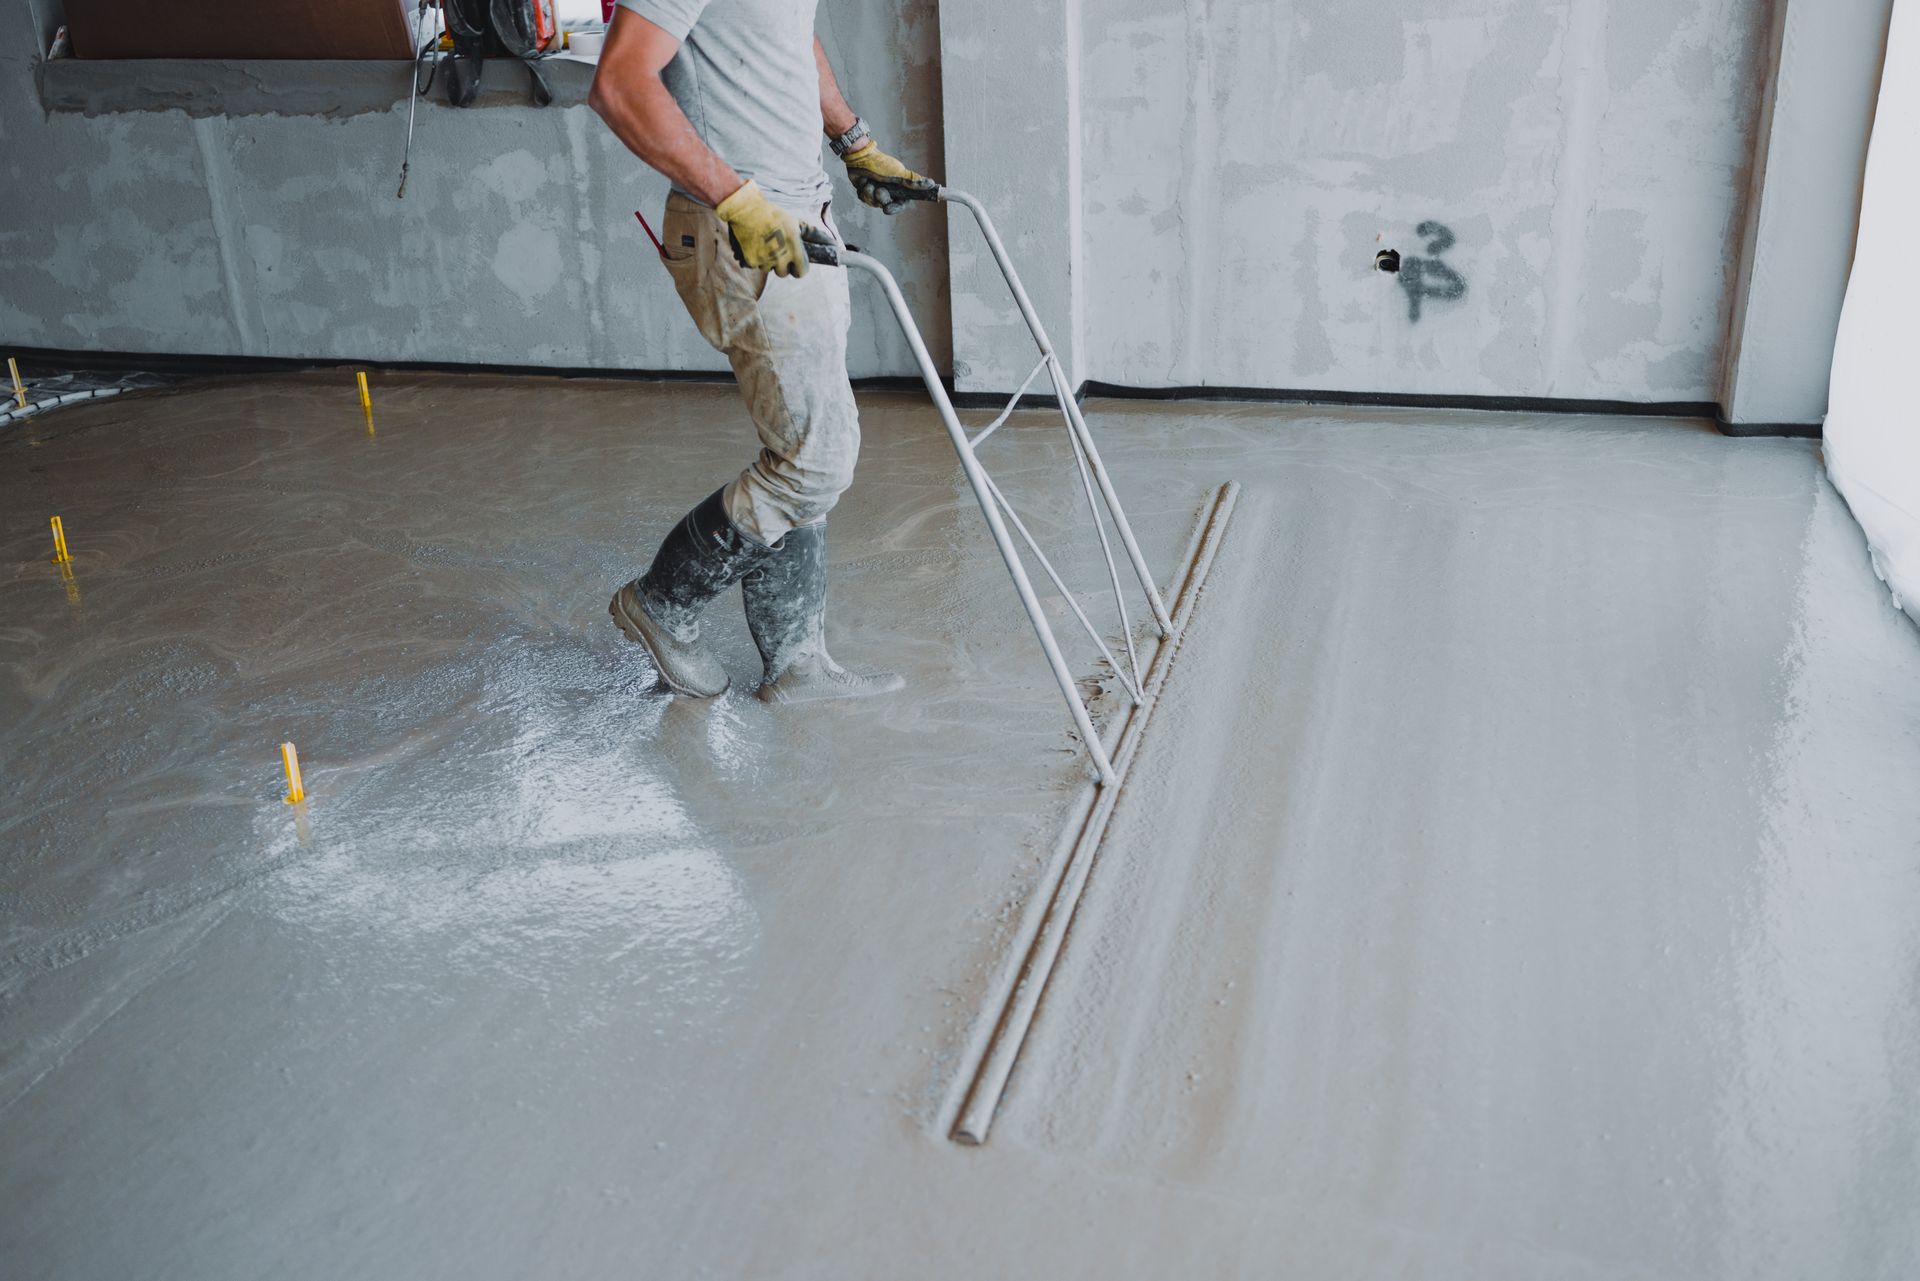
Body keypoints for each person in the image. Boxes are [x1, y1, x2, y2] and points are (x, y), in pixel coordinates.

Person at [588, 0, 936, 703]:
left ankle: (797, 663)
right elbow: (620, 84)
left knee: (807, 444)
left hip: (801, 216)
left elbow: (786, 35)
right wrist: (737, 200)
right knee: (816, 461)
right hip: (741, 229)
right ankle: (662, 602)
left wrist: (854, 142)